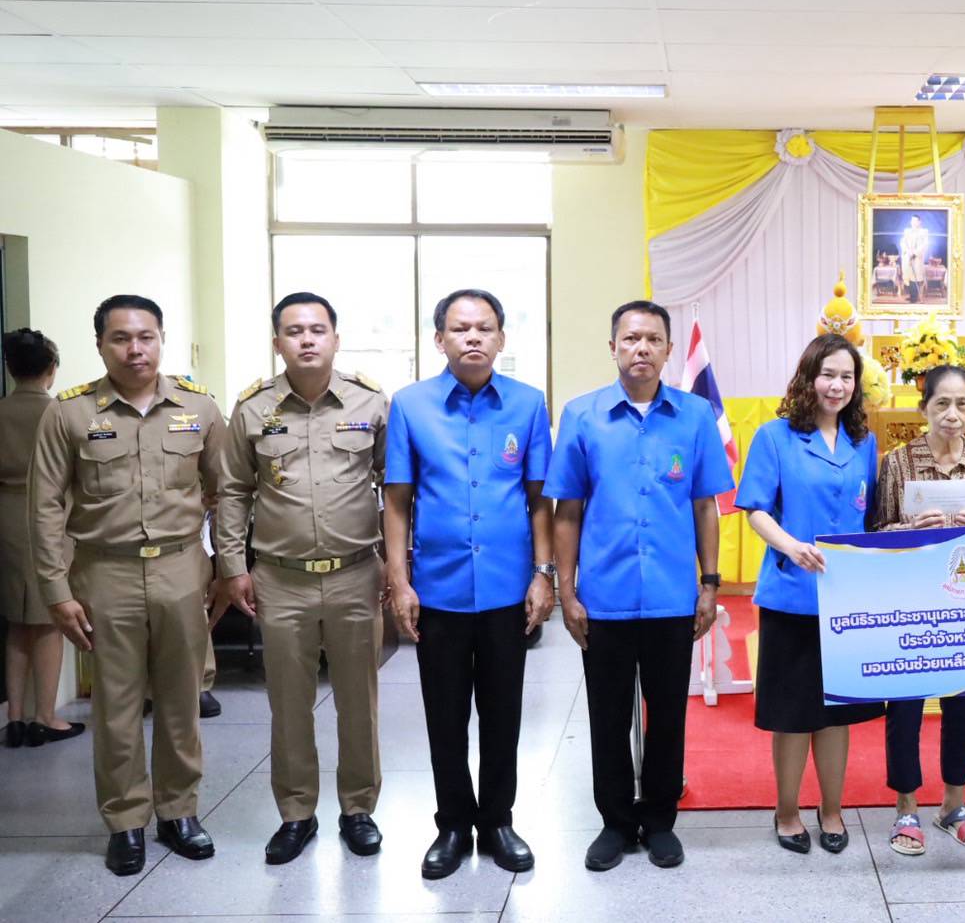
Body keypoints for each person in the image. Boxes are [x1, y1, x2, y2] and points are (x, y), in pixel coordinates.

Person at [29, 295, 226, 875]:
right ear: (100, 345)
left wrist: (228, 566)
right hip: (104, 573)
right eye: (120, 338)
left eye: (145, 337)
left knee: (182, 700)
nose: (134, 349)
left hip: (181, 569)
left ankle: (179, 811)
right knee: (116, 706)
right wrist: (56, 590)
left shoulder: (199, 407)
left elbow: (228, 491)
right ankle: (125, 821)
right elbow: (44, 508)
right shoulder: (68, 414)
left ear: (161, 339)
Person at [546, 300, 732, 872]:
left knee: (668, 713)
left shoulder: (695, 416)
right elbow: (567, 511)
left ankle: (659, 819)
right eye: (630, 339)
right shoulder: (582, 416)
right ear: (613, 348)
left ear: (669, 350)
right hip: (604, 596)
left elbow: (705, 505)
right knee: (606, 715)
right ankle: (615, 822)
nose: (641, 349)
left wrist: (709, 583)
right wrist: (567, 593)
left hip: (674, 597)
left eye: (653, 339)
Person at [210, 293, 388, 865]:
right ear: (277, 342)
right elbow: (233, 491)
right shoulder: (252, 408)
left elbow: (397, 486)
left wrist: (397, 562)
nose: (307, 339)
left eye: (317, 329)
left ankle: (358, 809)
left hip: (356, 574)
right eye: (294, 331)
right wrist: (232, 567)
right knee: (288, 703)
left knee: (358, 702)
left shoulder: (370, 402)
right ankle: (296, 813)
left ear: (336, 338)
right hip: (281, 579)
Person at [383, 288, 554, 880]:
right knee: (445, 714)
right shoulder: (411, 406)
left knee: (504, 713)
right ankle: (453, 824)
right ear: (440, 340)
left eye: (485, 328)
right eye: (460, 329)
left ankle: (498, 820)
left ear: (501, 338)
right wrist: (399, 581)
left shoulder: (528, 405)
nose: (473, 337)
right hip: (439, 590)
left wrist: (544, 575)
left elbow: (539, 500)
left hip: (508, 591)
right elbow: (397, 501)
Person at [736, 333, 882, 855]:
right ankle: (787, 810)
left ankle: (832, 809)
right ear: (808, 378)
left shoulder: (864, 441)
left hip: (846, 599)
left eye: (847, 377)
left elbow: (872, 516)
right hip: (792, 595)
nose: (837, 386)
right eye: (828, 375)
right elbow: (755, 509)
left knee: (837, 713)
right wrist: (792, 546)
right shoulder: (775, 437)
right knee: (794, 713)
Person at [871, 365, 965, 856]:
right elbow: (875, 532)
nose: (952, 414)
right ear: (923, 407)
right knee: (905, 707)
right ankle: (906, 807)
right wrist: (906, 530)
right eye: (941, 403)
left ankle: (954, 805)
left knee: (962, 706)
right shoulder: (896, 463)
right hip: (910, 604)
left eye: (962, 404)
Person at [1, 328, 84, 748]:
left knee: (17, 622)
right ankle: (45, 717)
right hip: (51, 517)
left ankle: (14, 717)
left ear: (10, 367)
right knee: (51, 619)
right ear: (52, 369)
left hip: (6, 516)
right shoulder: (61, 412)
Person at [900, 215, 929, 304]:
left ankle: (915, 298)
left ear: (920, 222)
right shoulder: (907, 231)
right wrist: (907, 251)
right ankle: (912, 296)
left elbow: (925, 244)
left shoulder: (924, 232)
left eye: (916, 221)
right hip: (907, 256)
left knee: (915, 277)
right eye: (912, 221)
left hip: (917, 258)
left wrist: (915, 252)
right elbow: (903, 242)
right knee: (908, 276)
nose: (914, 223)